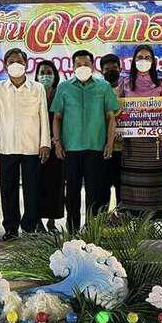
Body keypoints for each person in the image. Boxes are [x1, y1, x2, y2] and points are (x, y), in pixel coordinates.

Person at [50, 50, 119, 233]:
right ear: (72, 67)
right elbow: (57, 117)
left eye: (86, 64)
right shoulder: (64, 88)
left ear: (93, 66)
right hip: (70, 149)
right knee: (72, 192)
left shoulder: (103, 87)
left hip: (96, 148)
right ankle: (72, 230)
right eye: (78, 65)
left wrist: (110, 143)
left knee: (94, 192)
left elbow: (111, 117)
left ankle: (92, 229)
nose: (82, 67)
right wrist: (57, 142)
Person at [0, 48, 50, 240]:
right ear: (5, 65)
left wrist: (45, 143)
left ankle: (29, 226)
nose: (16, 65)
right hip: (6, 146)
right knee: (8, 190)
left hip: (32, 146)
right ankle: (11, 228)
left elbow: (44, 116)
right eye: (11, 62)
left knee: (32, 189)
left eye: (19, 61)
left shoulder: (37, 88)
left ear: (26, 64)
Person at [116, 45, 162, 219]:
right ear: (133, 61)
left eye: (147, 58)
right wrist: (118, 129)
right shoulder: (125, 82)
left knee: (154, 181)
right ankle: (132, 221)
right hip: (132, 141)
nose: (143, 61)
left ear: (153, 61)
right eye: (140, 57)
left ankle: (156, 221)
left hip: (155, 140)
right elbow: (119, 109)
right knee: (132, 181)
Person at [35, 60, 65, 232]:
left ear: (55, 75)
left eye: (49, 72)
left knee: (56, 184)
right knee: (37, 183)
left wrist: (59, 141)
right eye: (42, 73)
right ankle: (37, 220)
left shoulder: (61, 93)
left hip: (57, 146)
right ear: (37, 76)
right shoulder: (33, 92)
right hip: (36, 145)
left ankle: (52, 221)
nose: (45, 76)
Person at [99, 53, 123, 210]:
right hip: (103, 147)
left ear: (120, 69)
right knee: (103, 187)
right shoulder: (98, 89)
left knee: (123, 188)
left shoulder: (128, 88)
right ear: (101, 71)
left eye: (114, 68)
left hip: (124, 148)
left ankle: (123, 219)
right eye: (107, 69)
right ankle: (102, 219)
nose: (111, 71)